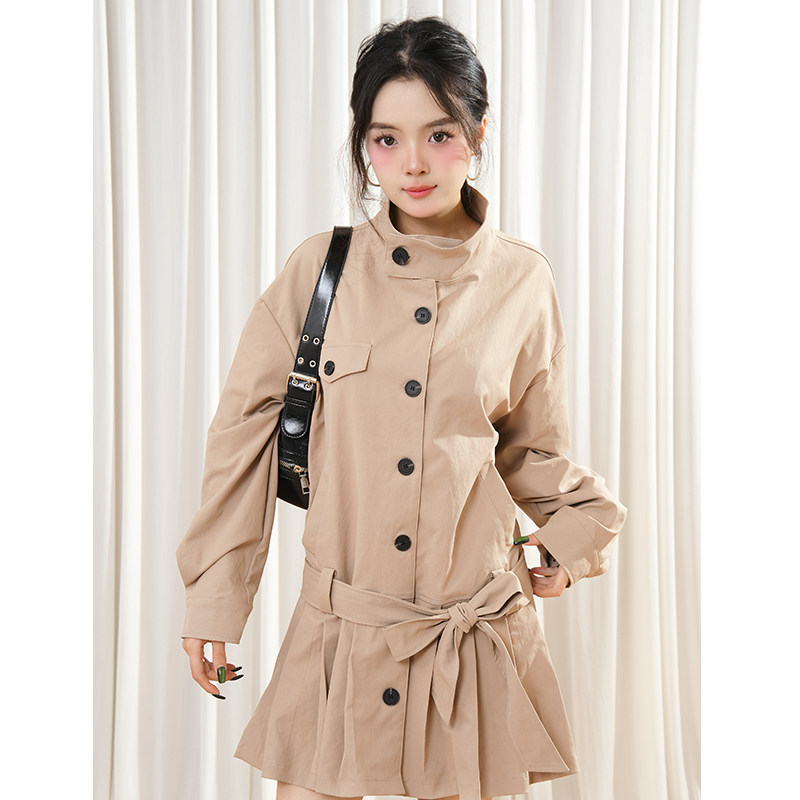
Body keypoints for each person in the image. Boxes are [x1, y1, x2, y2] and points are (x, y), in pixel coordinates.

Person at [176, 15, 627, 800]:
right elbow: (241, 440)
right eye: (386, 139)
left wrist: (566, 541)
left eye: (439, 135)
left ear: (478, 133)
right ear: (364, 147)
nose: (412, 163)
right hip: (341, 639)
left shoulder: (524, 281)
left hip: (474, 644)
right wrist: (216, 600)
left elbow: (529, 451)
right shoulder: (318, 272)